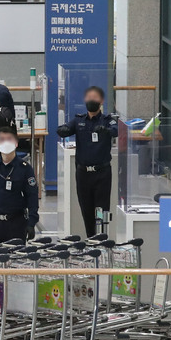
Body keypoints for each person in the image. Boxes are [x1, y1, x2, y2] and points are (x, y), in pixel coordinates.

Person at [56, 86, 118, 237]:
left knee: (102, 210)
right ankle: (91, 240)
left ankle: (103, 239)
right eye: (89, 97)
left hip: (102, 173)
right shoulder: (79, 120)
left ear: (101, 101)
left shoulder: (108, 120)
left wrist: (106, 130)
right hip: (83, 173)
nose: (91, 100)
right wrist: (62, 130)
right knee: (86, 209)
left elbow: (117, 130)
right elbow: (64, 129)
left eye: (95, 97)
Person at [0, 127, 39, 244]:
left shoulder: (24, 168)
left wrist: (32, 223)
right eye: (2, 140)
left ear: (16, 143)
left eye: (9, 139)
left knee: (16, 260)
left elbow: (32, 197)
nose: (6, 142)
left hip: (16, 223)